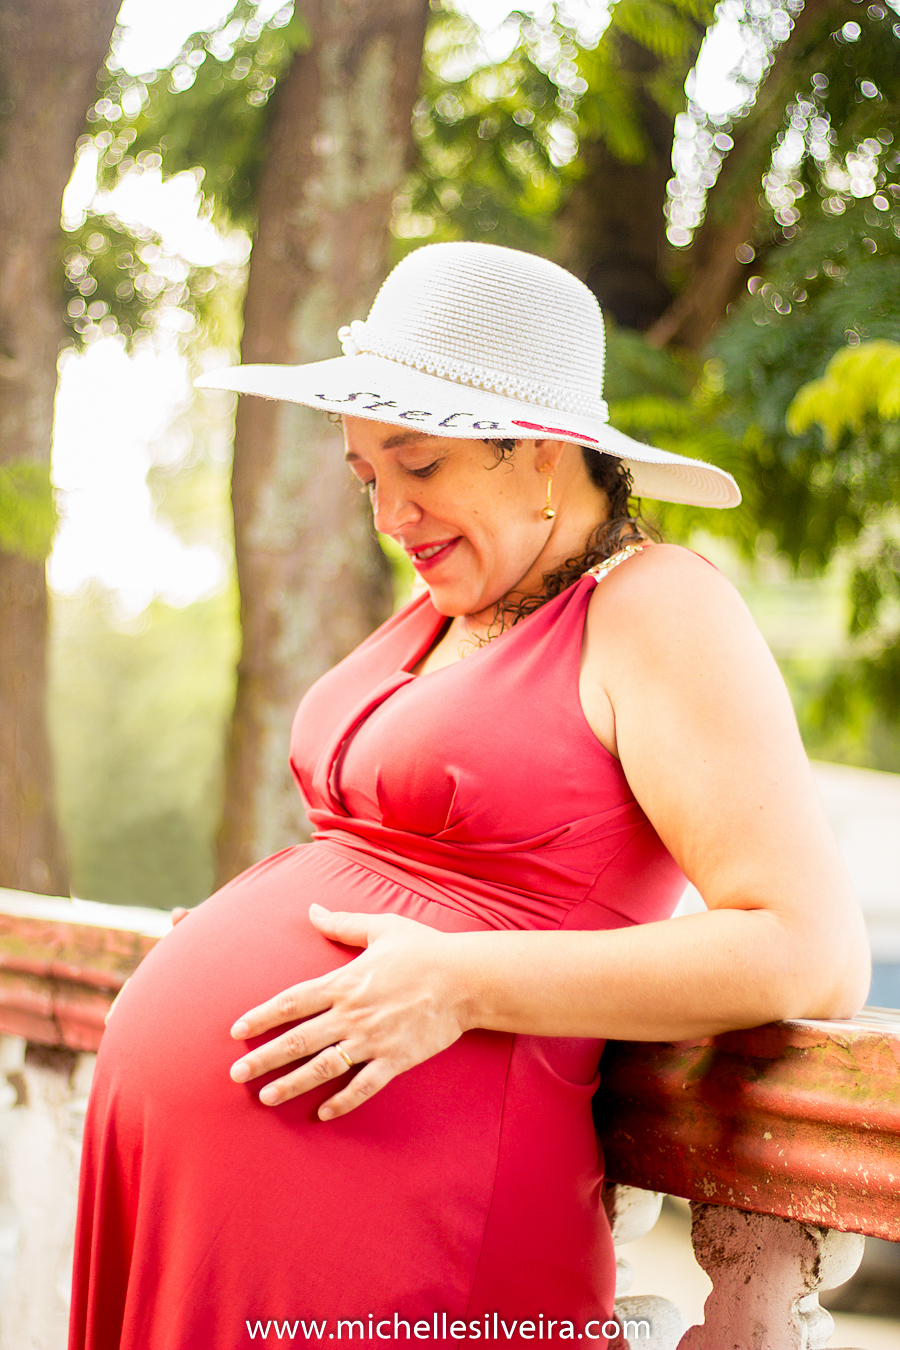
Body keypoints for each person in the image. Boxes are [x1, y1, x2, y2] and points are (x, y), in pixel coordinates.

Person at [69, 242, 869, 1350]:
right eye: (368, 478)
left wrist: (457, 980)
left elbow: (809, 949)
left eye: (421, 466)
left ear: (543, 451)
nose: (390, 516)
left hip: (418, 1227)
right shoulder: (458, 600)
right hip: (230, 1206)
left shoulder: (657, 607)